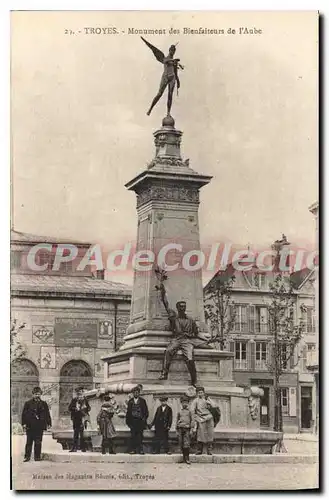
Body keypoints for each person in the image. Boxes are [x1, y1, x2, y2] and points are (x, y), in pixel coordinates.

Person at [157, 280, 211, 386]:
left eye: (184, 306)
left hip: (187, 341)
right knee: (168, 351)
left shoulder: (190, 320)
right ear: (177, 308)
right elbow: (166, 304)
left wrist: (205, 339)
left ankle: (194, 379)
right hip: (177, 339)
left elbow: (196, 333)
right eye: (181, 306)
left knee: (190, 358)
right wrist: (162, 291)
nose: (183, 308)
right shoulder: (174, 317)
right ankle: (164, 373)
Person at [141, 37, 184, 117]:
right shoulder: (165, 58)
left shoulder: (174, 62)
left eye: (174, 51)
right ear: (169, 50)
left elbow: (175, 72)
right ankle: (150, 108)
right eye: (171, 50)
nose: (172, 52)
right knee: (159, 94)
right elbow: (165, 61)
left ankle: (168, 112)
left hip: (172, 78)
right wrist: (174, 61)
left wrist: (178, 81)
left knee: (170, 95)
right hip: (165, 77)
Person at [21, 386, 52, 462]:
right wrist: (24, 423)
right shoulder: (28, 403)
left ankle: (37, 457)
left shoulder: (44, 404)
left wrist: (49, 423)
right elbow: (23, 414)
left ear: (40, 394)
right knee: (29, 442)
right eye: (35, 394)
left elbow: (47, 414)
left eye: (38, 394)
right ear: (33, 394)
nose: (37, 395)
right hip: (30, 425)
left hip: (39, 426)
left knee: (38, 442)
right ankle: (27, 457)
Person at [191, 386, 217, 455]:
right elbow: (192, 410)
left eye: (201, 392)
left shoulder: (207, 399)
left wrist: (209, 400)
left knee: (210, 434)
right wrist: (195, 419)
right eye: (199, 393)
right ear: (197, 393)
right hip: (201, 418)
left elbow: (214, 406)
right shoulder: (195, 401)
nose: (200, 394)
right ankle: (199, 450)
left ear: (204, 393)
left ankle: (209, 450)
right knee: (200, 435)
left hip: (209, 418)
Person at [125, 385, 149, 455]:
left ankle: (140, 450)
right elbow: (128, 412)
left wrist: (144, 419)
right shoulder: (130, 401)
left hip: (140, 421)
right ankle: (133, 449)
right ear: (133, 393)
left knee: (140, 436)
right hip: (133, 421)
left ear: (139, 393)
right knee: (133, 436)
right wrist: (128, 422)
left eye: (137, 392)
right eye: (134, 392)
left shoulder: (142, 401)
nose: (136, 394)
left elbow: (146, 411)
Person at [68, 387, 91, 452]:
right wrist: (75, 408)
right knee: (76, 433)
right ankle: (74, 448)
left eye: (81, 391)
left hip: (83, 418)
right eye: (78, 392)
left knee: (82, 433)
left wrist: (85, 408)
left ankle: (83, 448)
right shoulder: (74, 400)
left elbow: (89, 408)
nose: (80, 393)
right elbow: (69, 408)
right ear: (77, 393)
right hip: (76, 418)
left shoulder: (85, 400)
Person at [176, 395, 193, 465]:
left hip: (187, 429)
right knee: (181, 443)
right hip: (180, 429)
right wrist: (176, 430)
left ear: (188, 403)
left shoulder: (190, 412)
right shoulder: (179, 412)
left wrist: (192, 429)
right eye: (183, 403)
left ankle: (187, 458)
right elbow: (177, 420)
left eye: (186, 402)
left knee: (186, 443)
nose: (184, 404)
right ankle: (183, 458)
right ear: (181, 403)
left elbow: (192, 420)